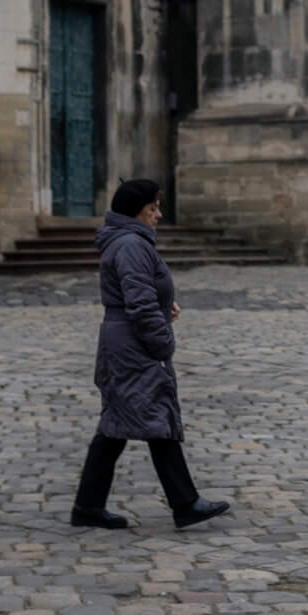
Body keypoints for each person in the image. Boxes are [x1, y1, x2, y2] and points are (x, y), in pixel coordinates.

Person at [70, 178, 232, 530]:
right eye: (153, 208)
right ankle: (185, 502)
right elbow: (139, 303)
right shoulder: (131, 244)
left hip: (123, 338)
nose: (159, 214)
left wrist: (163, 304)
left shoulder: (129, 241)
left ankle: (88, 506)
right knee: (155, 414)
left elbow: (141, 293)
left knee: (116, 425)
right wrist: (162, 343)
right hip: (133, 344)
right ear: (136, 212)